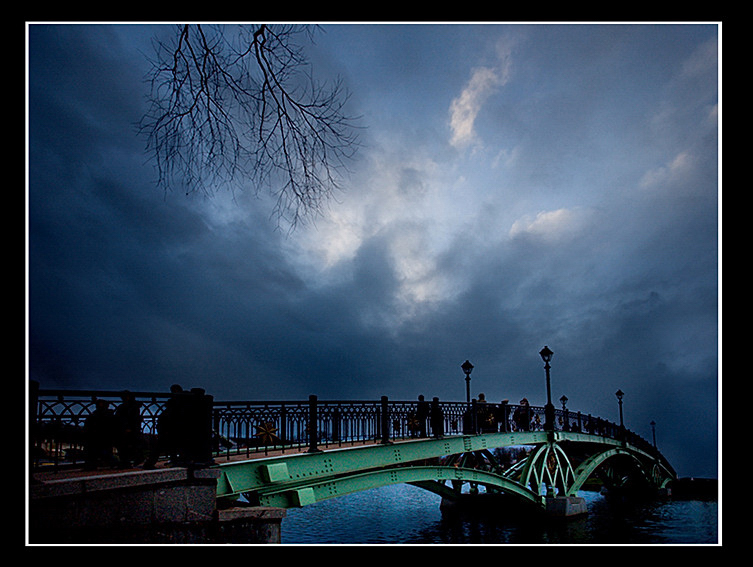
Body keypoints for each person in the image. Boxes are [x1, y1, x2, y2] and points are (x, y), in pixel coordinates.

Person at [83, 399, 117, 470]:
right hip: (104, 437)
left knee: (96, 450)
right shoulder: (109, 415)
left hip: (100, 437)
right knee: (103, 451)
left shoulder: (95, 415)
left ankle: (92, 465)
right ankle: (112, 462)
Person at [115, 391, 143, 468]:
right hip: (132, 429)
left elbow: (124, 418)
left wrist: (127, 427)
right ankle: (132, 461)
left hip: (127, 429)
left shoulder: (125, 407)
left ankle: (126, 462)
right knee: (131, 445)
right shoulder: (134, 406)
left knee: (125, 446)